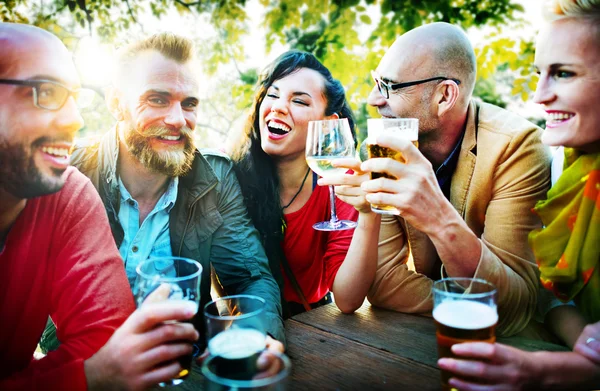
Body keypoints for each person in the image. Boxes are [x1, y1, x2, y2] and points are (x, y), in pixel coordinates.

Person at [0, 23, 199, 390]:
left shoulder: (66, 192)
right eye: (45, 92)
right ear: (117, 105)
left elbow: (106, 345)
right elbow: (102, 366)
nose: (74, 119)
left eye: (74, 97)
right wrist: (87, 377)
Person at [322, 22, 552, 336]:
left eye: (389, 86)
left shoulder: (517, 147)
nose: (373, 99)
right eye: (376, 82)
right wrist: (469, 302)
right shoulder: (385, 145)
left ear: (444, 96)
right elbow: (384, 284)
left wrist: (437, 217)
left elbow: (513, 308)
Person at [69, 33, 285, 348]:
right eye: (157, 99)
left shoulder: (216, 179)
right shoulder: (69, 172)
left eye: (189, 104)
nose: (177, 119)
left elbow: (248, 278)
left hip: (181, 368)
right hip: (80, 368)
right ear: (117, 103)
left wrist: (258, 335)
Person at [437, 0, 600, 389]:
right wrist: (585, 341)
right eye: (539, 73)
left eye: (562, 73)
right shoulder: (570, 165)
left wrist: (545, 372)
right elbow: (550, 294)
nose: (540, 96)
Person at [230, 50, 381, 317]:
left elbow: (347, 299)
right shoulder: (232, 175)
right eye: (273, 94)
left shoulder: (341, 183)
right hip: (247, 319)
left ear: (327, 123)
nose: (277, 106)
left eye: (299, 101)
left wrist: (370, 213)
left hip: (312, 321)